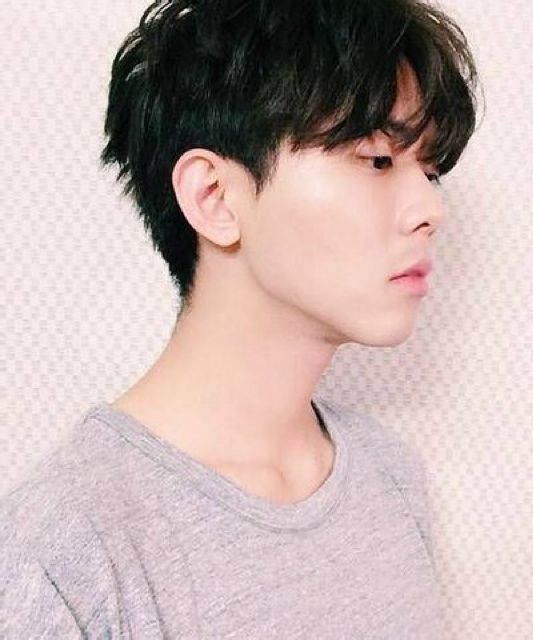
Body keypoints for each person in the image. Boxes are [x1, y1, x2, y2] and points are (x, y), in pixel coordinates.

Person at [0, 0, 479, 637]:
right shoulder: (61, 556)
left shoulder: (391, 476)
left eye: (431, 170)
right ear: (215, 197)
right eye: (377, 160)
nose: (430, 210)